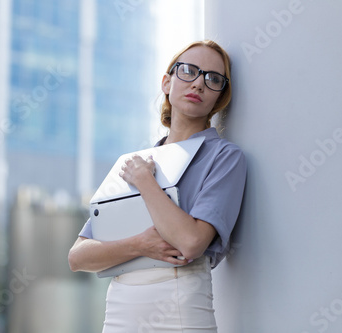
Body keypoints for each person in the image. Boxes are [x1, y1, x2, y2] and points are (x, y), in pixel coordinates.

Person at [68, 40, 247, 332]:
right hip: (120, 311)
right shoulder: (132, 163)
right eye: (189, 71)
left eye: (213, 79)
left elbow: (190, 242)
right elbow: (78, 257)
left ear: (220, 98)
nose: (199, 84)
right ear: (167, 82)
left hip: (180, 308)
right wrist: (139, 244)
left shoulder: (224, 157)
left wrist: (144, 182)